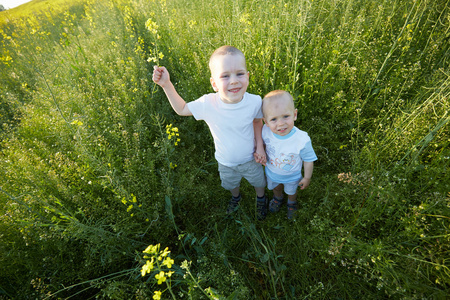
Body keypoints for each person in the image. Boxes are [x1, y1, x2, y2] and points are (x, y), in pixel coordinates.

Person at [152, 45, 268, 220]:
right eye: (225, 76)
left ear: (248, 76)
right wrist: (166, 84)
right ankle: (236, 197)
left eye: (240, 74)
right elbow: (182, 109)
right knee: (231, 184)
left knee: (259, 182)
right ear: (214, 83)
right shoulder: (209, 104)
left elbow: (257, 121)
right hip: (225, 161)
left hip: (251, 158)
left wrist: (260, 147)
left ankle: (261, 198)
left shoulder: (254, 101)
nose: (234, 81)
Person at [261, 90, 317, 219]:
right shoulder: (265, 132)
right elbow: (263, 145)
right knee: (276, 188)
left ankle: (291, 203)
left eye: (286, 116)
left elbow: (308, 159)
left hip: (292, 175)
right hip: (272, 172)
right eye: (274, 119)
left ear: (295, 114)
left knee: (292, 191)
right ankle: (277, 198)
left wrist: (307, 177)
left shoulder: (301, 139)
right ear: (266, 122)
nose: (281, 123)